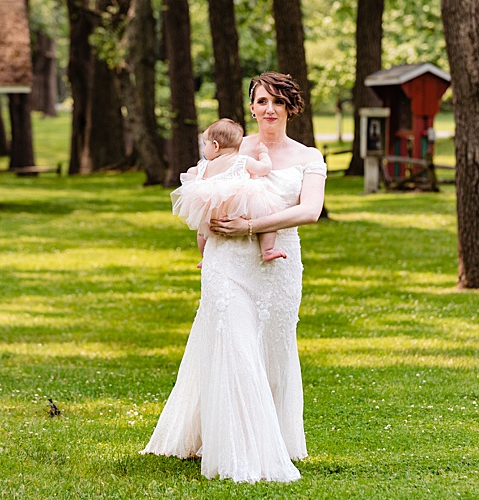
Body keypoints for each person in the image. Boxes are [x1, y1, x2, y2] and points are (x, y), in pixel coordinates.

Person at [142, 71, 327, 483]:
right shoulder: (232, 148)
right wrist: (207, 235)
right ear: (251, 107)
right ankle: (236, 447)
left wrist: (252, 226)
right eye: (262, 101)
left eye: (278, 102)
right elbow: (202, 193)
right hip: (227, 260)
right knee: (234, 343)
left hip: (277, 263)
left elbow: (310, 211)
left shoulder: (308, 157)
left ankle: (270, 439)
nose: (269, 109)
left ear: (290, 107)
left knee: (271, 349)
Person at [171, 118, 288, 264]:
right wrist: (263, 154)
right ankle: (267, 250)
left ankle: (205, 257)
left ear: (215, 145)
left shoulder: (204, 166)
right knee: (269, 212)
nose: (203, 149)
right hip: (239, 205)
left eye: (205, 144)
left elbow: (191, 173)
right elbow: (264, 169)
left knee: (202, 230)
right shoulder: (242, 161)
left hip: (212, 209)